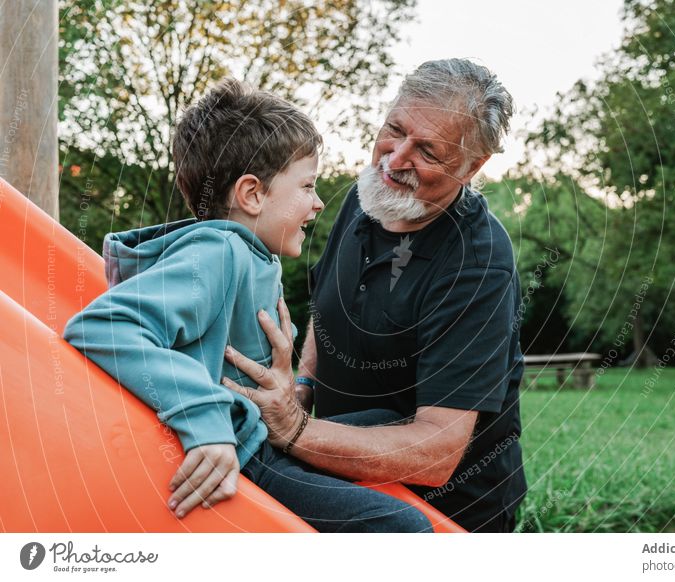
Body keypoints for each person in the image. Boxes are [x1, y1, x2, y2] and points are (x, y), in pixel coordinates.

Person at [63, 79, 432, 533]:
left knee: (395, 421)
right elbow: (106, 326)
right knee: (403, 528)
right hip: (242, 452)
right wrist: (206, 421)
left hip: (257, 430)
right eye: (307, 186)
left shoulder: (251, 253)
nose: (318, 203)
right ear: (252, 194)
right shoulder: (218, 254)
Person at [222, 59, 528, 532]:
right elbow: (328, 315)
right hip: (338, 478)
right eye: (395, 129)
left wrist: (294, 429)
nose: (395, 158)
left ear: (473, 166)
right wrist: (302, 389)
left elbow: (436, 454)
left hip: (447, 517)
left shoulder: (479, 261)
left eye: (427, 150)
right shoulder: (365, 198)